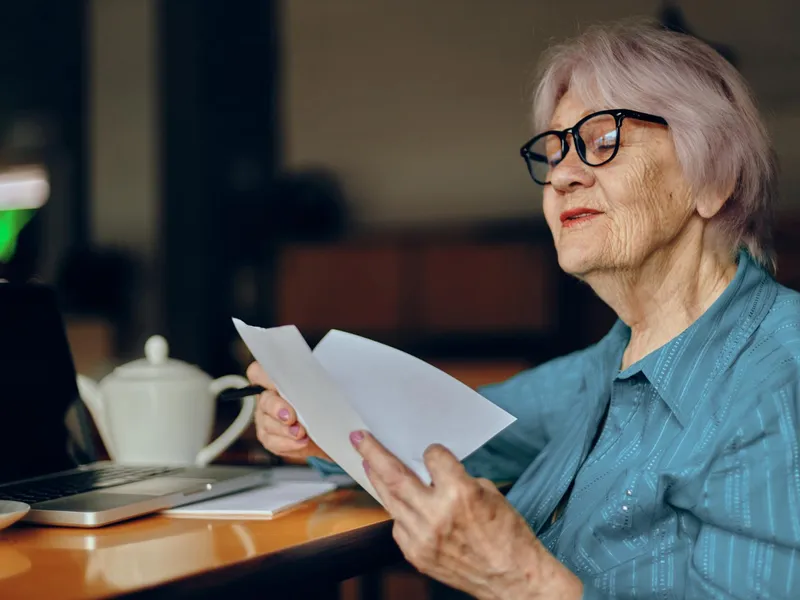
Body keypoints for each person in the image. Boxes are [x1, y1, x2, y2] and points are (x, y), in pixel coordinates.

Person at [247, 20, 800, 599]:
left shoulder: (777, 386)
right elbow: (441, 435)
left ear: (715, 179)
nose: (561, 174)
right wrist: (315, 415)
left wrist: (522, 583)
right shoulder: (612, 362)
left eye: (603, 140)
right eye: (555, 149)